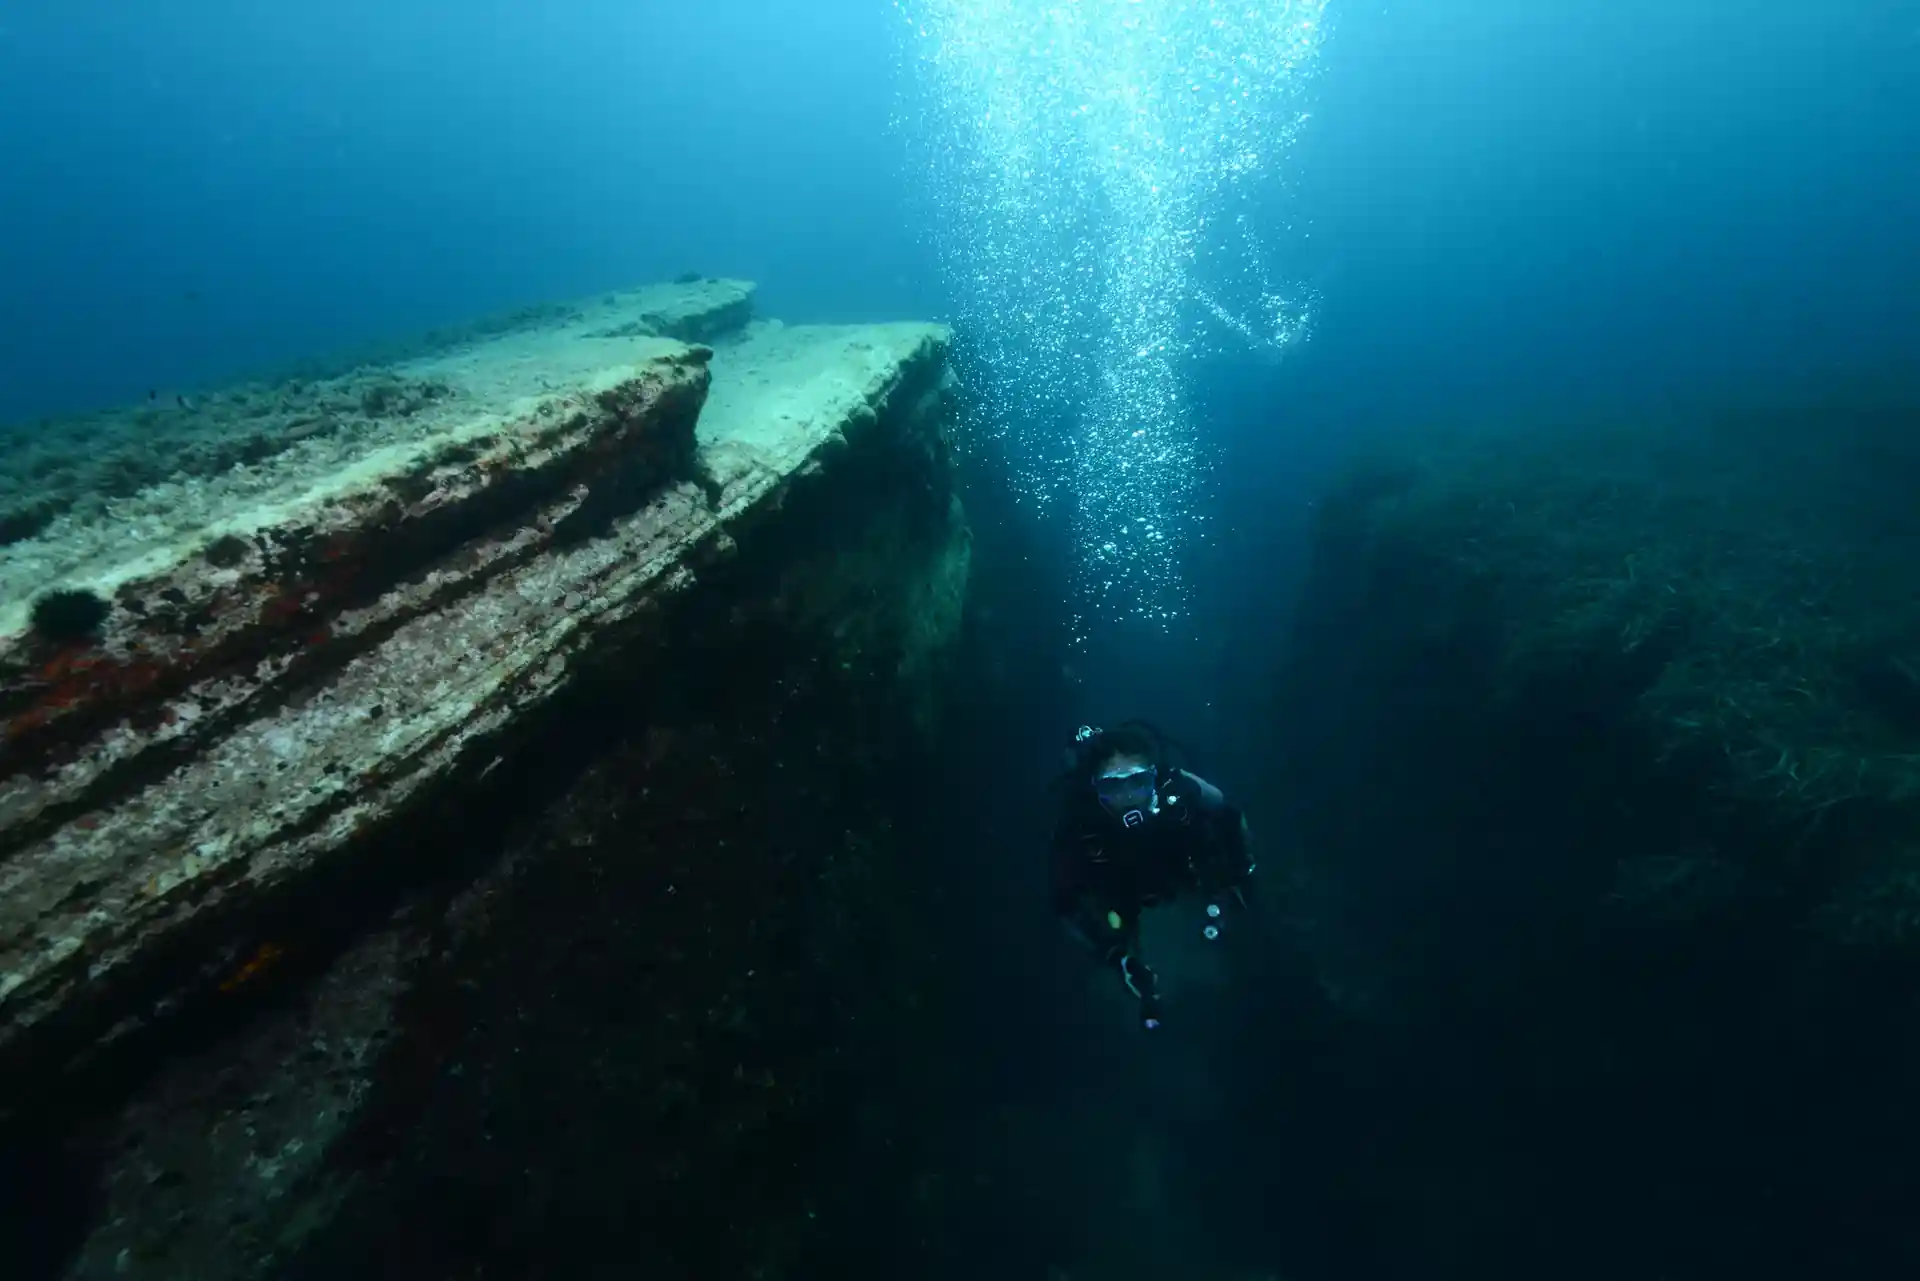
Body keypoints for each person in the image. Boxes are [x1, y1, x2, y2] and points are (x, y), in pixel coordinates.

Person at [1049, 722, 1255, 1030]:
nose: (1128, 797)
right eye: (1112, 787)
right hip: (1121, 894)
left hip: (1183, 873)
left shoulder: (1180, 789)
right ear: (1094, 788)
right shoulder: (1080, 824)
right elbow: (1065, 903)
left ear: (1155, 777)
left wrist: (1241, 873)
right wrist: (1115, 957)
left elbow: (1229, 814)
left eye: (1138, 782)